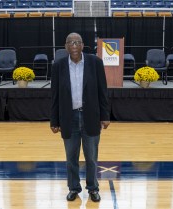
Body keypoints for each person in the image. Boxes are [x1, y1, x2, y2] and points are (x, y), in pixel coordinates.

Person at [50, 32, 110, 202]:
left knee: (91, 157)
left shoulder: (95, 63)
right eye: (71, 42)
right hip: (69, 118)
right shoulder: (58, 66)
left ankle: (92, 188)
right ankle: (74, 188)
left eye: (77, 42)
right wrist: (54, 120)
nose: (74, 45)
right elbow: (54, 96)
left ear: (83, 45)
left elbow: (102, 92)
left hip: (90, 116)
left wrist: (105, 116)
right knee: (71, 158)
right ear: (66, 46)